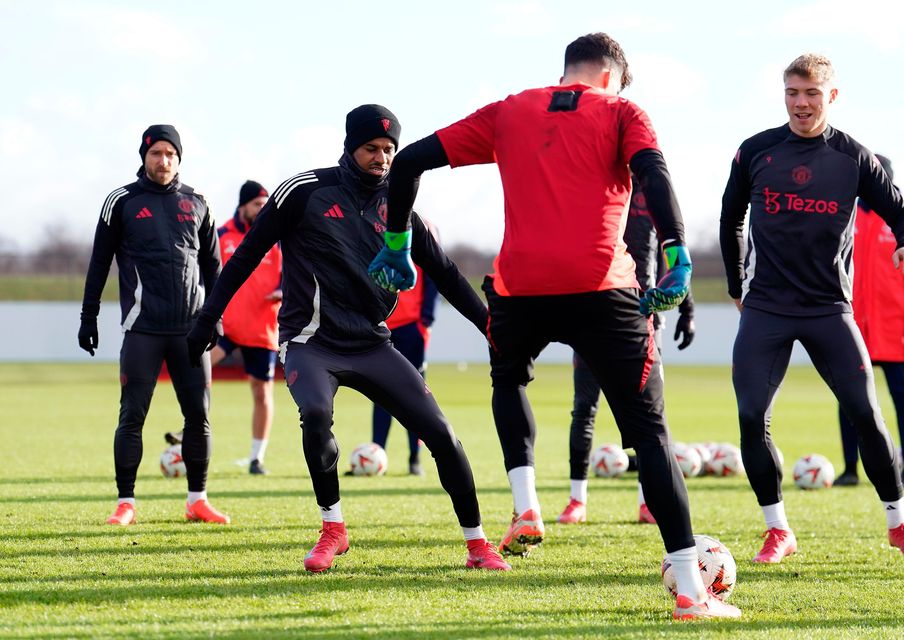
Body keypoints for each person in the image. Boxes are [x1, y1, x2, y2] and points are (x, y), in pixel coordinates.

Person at [370, 33, 739, 619]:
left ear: (567, 68)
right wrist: (676, 251)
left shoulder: (509, 110)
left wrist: (396, 245)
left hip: (520, 290)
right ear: (613, 75)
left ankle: (526, 506)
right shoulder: (621, 110)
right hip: (602, 288)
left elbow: (409, 160)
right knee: (648, 431)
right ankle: (692, 593)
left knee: (509, 379)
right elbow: (655, 176)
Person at [186, 104, 511, 573]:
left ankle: (478, 545)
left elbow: (446, 273)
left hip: (374, 344)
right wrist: (206, 320)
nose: (381, 158)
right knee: (316, 413)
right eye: (371, 149)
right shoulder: (304, 192)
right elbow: (245, 258)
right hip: (310, 343)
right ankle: (333, 528)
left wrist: (492, 328)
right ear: (349, 147)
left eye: (389, 149)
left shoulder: (400, 209)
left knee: (441, 433)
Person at [720, 54, 904, 563]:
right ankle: (778, 529)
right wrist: (737, 284)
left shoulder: (853, 158)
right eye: (792, 93)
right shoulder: (756, 151)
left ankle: (897, 520)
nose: (801, 103)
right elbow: (730, 217)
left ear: (832, 97)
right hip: (767, 307)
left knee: (866, 413)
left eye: (812, 94)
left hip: (828, 308)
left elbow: (899, 211)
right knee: (752, 416)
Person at [78, 124, 230, 526]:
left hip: (191, 331)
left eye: (170, 154)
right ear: (144, 157)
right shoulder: (122, 201)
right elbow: (99, 263)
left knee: (198, 416)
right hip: (142, 330)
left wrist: (216, 318)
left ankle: (197, 499)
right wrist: (88, 315)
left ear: (179, 159)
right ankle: (125, 502)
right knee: (132, 416)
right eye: (156, 154)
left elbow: (214, 267)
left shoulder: (198, 202)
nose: (163, 161)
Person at [558, 181, 696, 526]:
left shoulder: (655, 192)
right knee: (584, 407)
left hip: (645, 316)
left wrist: (687, 309)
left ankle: (647, 502)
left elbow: (674, 256)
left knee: (648, 415)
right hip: (593, 313)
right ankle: (577, 500)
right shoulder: (594, 184)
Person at [165, 180, 283, 476]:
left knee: (262, 393)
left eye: (264, 204)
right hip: (226, 325)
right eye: (257, 203)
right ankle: (189, 429)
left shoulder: (276, 237)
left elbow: (295, 269)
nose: (261, 209)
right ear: (243, 205)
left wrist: (283, 289)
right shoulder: (222, 235)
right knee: (199, 373)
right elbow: (203, 268)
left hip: (262, 328)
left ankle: (257, 458)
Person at [834, 155, 904, 487]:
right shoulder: (842, 213)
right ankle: (850, 468)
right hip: (854, 329)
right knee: (851, 403)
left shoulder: (899, 219)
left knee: (902, 403)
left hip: (897, 332)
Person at [371, 228, 439, 477]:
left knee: (415, 393)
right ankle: (376, 454)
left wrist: (425, 321)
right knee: (379, 391)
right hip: (383, 326)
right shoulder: (377, 229)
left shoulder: (420, 231)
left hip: (412, 328)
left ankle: (414, 458)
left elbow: (433, 277)